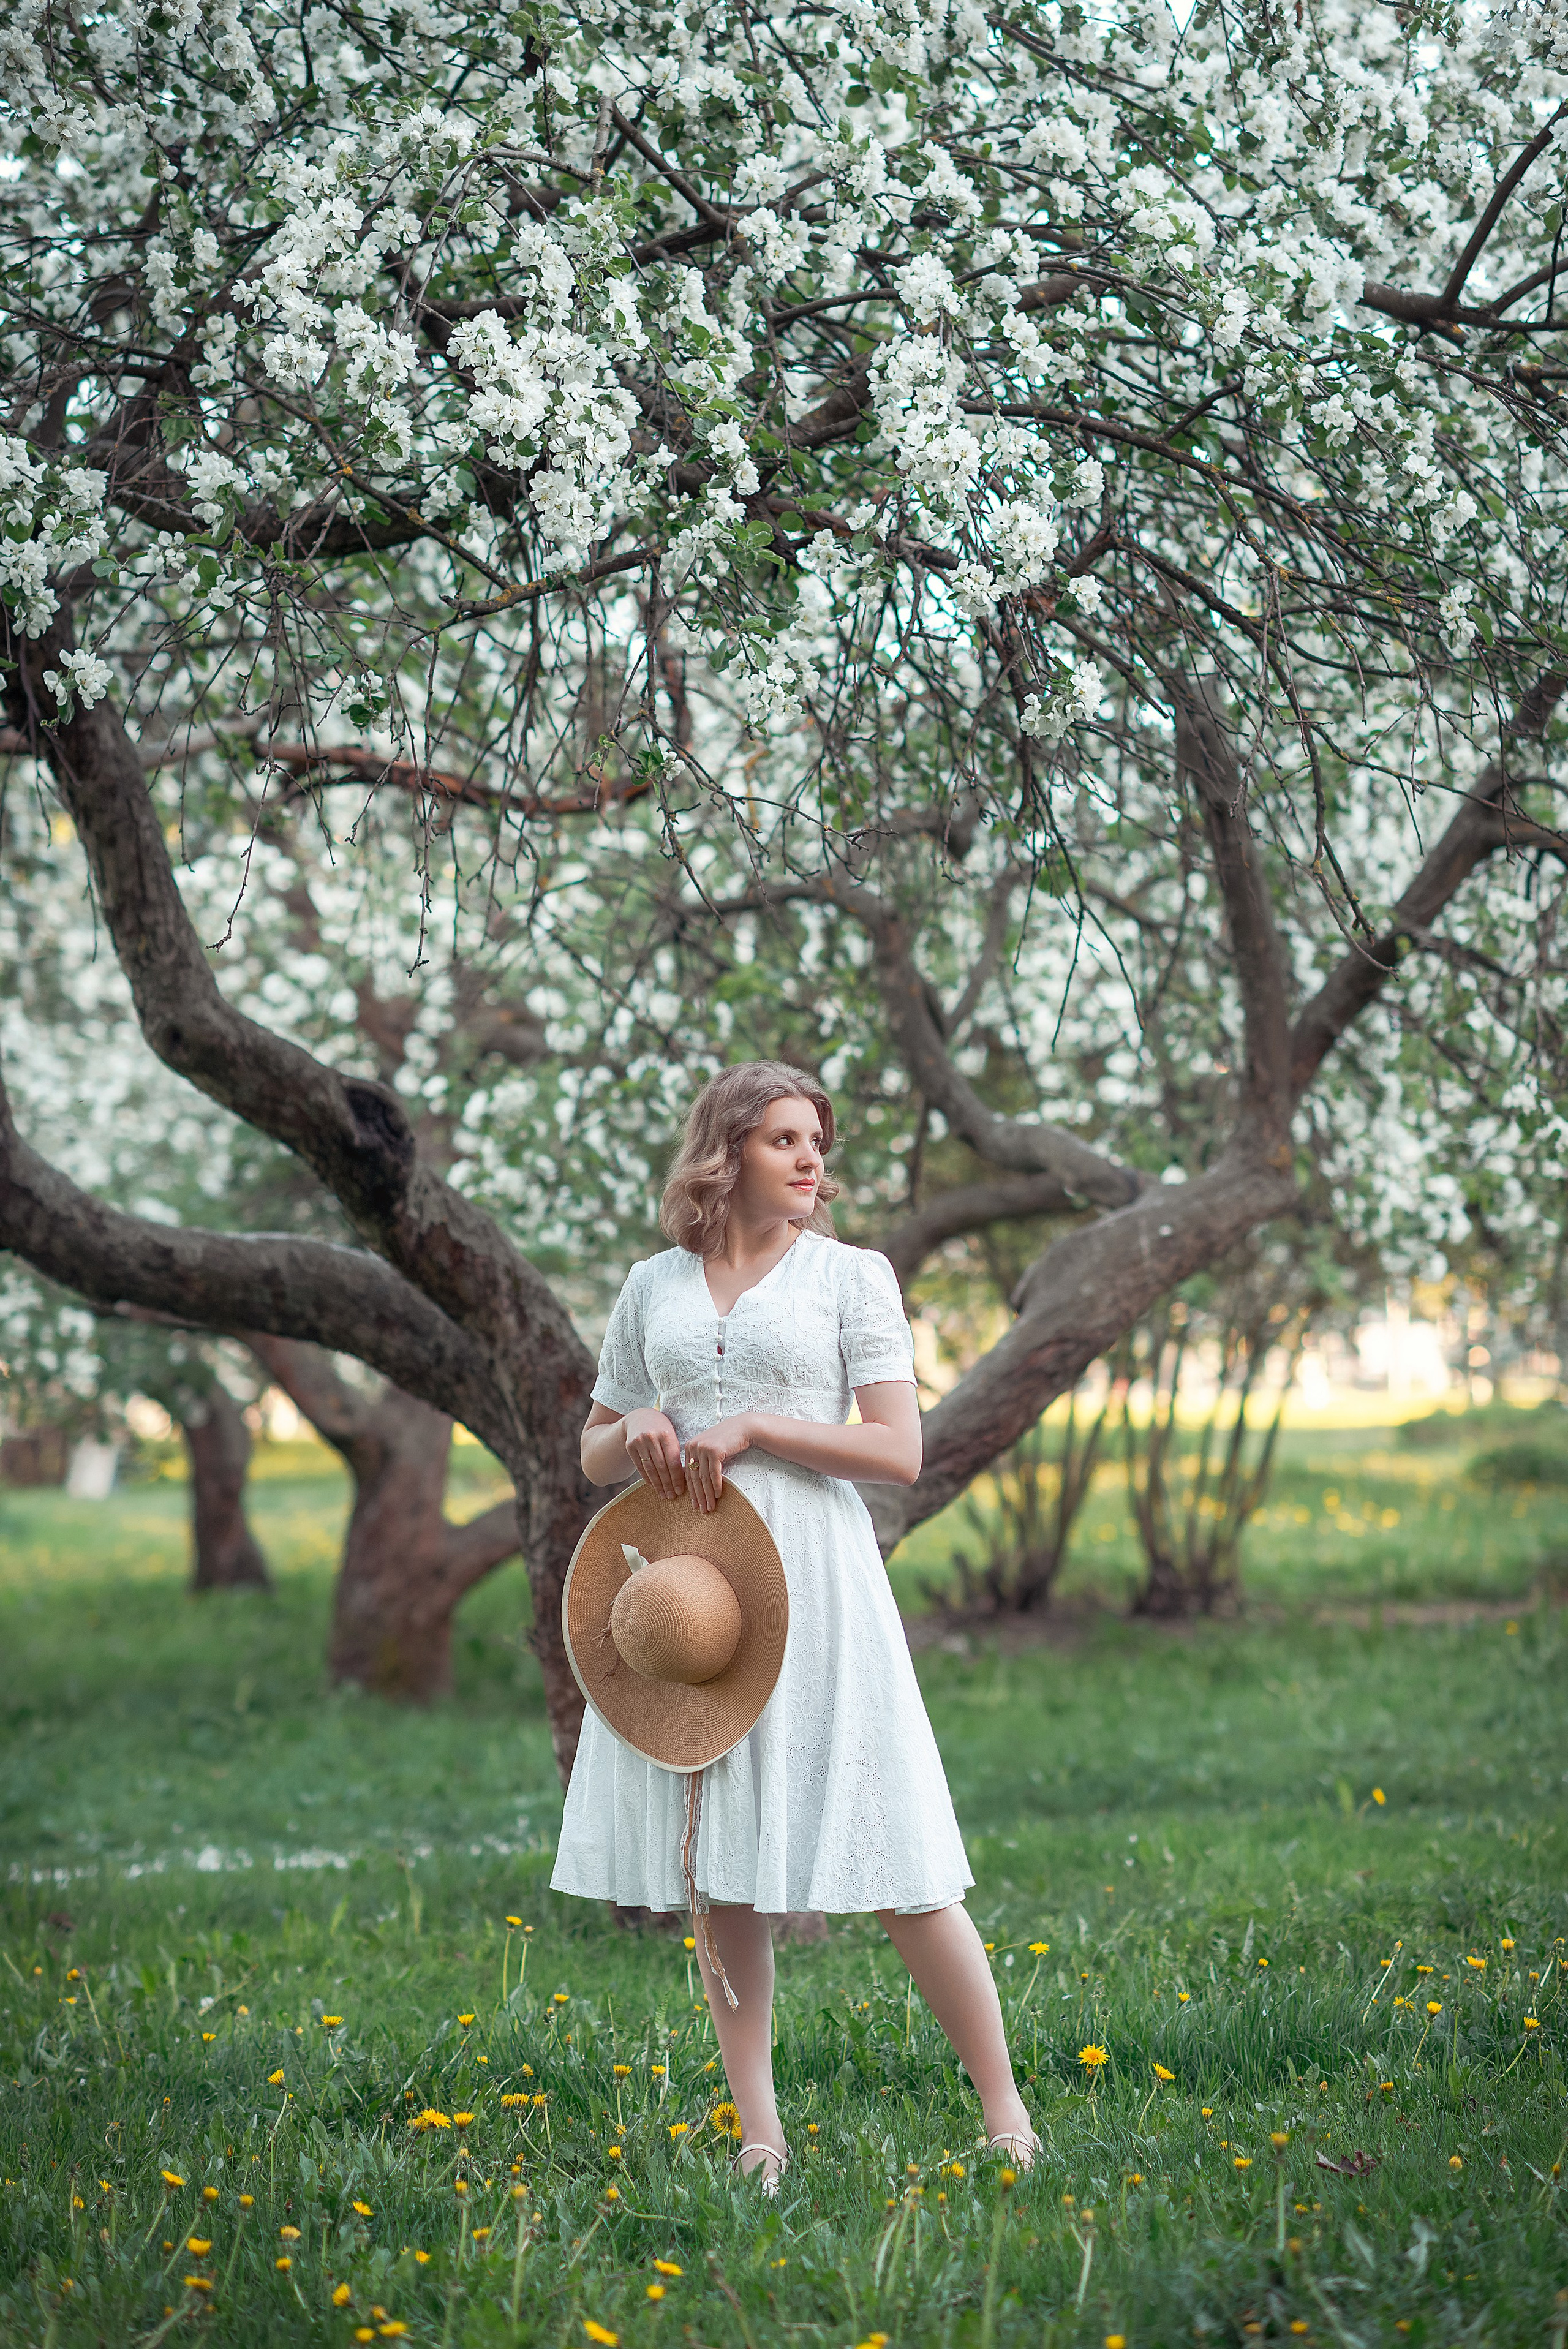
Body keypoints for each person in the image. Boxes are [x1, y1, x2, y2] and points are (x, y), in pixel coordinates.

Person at [551, 1060, 1039, 2189]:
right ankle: (760, 2134)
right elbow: (591, 1447)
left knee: (901, 1855)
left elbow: (898, 1451)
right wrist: (649, 1430)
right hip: (692, 1582)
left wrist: (760, 1426)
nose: (812, 1158)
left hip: (812, 1577)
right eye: (783, 1140)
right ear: (724, 1155)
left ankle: (1007, 2113)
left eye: (816, 1139)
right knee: (720, 1864)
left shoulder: (849, 1278)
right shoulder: (652, 1287)